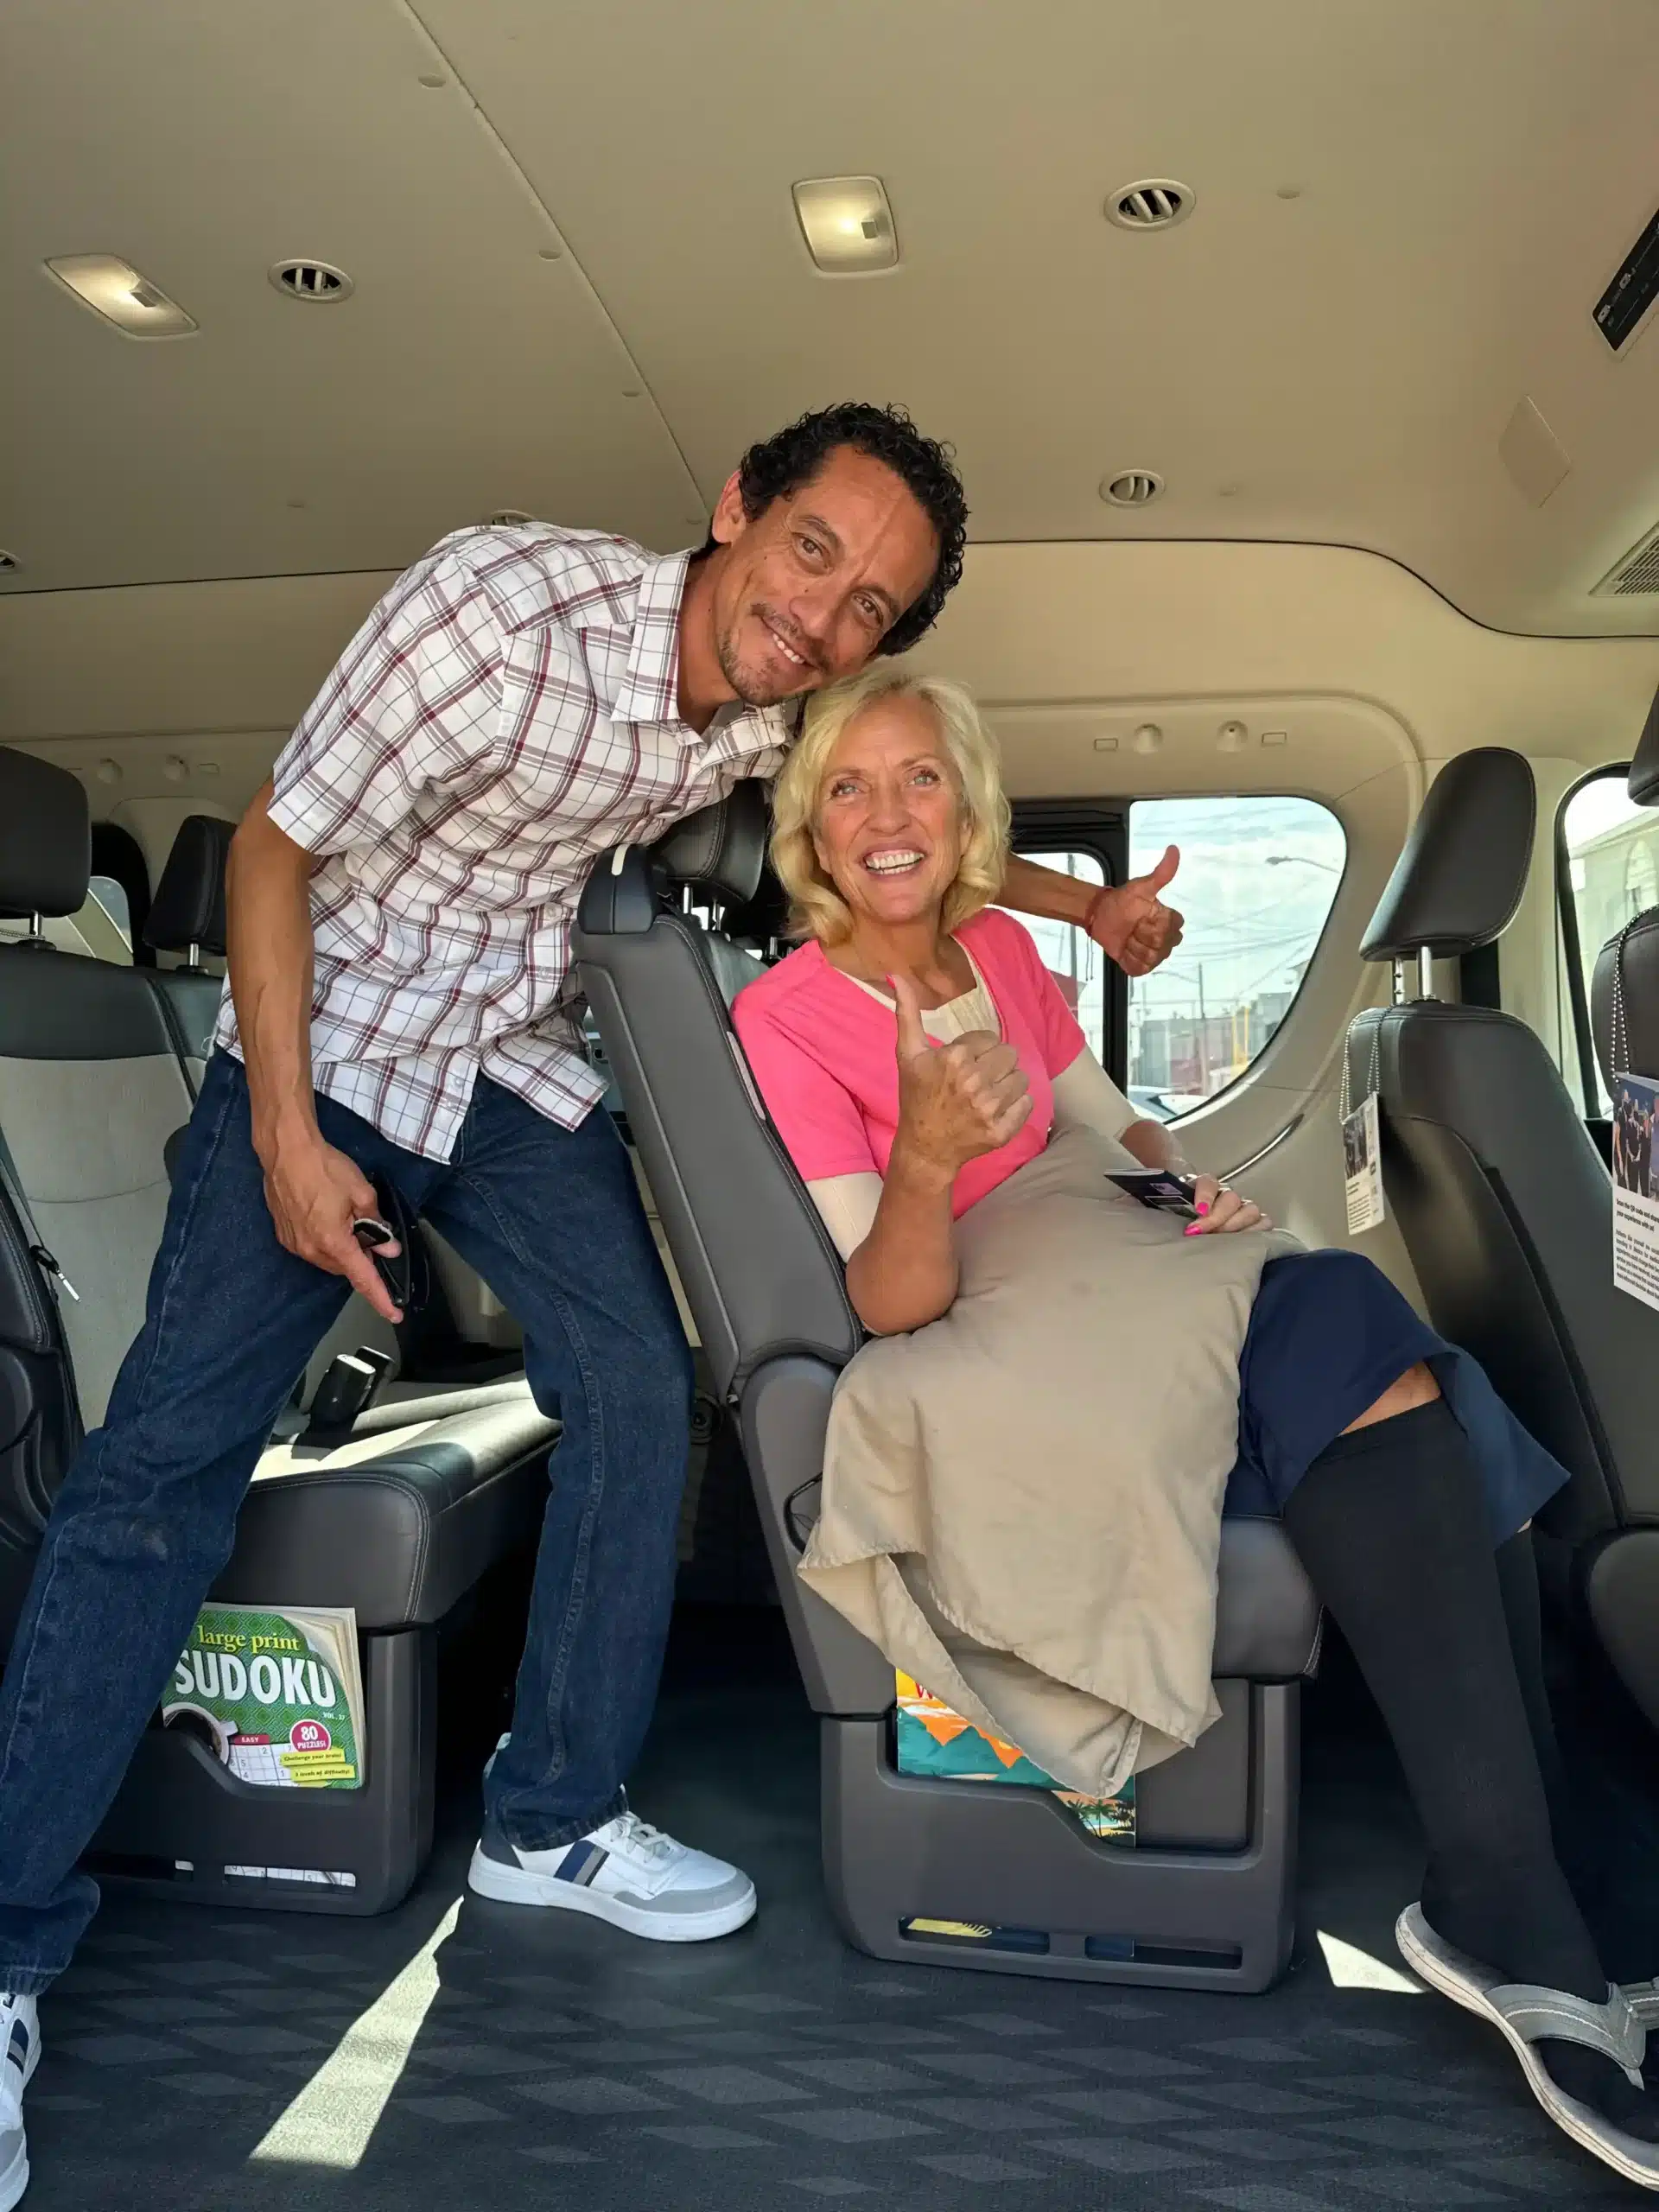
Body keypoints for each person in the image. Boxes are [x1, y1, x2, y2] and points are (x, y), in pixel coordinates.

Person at [0, 404, 1189, 2209]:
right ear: (734, 509)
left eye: (873, 605)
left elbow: (905, 837)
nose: (822, 619)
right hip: (327, 1044)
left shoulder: (784, 703)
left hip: (499, 1066)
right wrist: (285, 1140)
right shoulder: (497, 614)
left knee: (643, 1390)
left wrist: (1081, 903)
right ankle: (8, 1949)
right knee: (158, 1469)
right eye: (810, 555)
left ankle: (548, 1821)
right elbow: (271, 847)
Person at [731, 664, 1659, 2192]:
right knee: (1366, 1341)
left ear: (963, 808)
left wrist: (1188, 1189)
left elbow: (1109, 1127)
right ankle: (1508, 1894)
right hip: (984, 1334)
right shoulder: (786, 1014)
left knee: (1403, 1358)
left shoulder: (1006, 948)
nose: (886, 816)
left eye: (917, 781)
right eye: (848, 786)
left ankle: (1526, 1854)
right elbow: (888, 1302)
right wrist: (925, 1156)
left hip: (1106, 1271)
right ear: (810, 825)